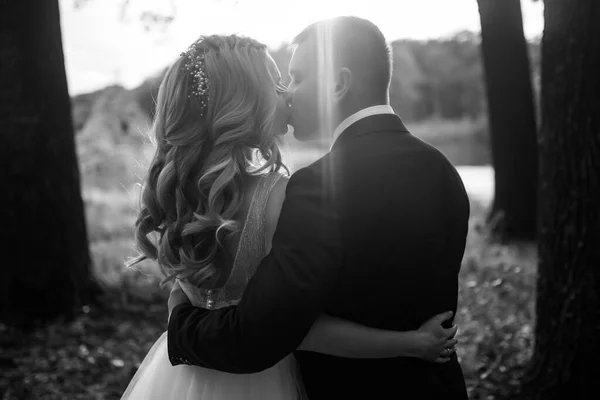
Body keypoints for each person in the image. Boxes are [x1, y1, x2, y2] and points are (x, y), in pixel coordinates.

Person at [121, 33, 459, 400]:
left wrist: (179, 320)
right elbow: (291, 329)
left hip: (183, 382)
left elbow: (269, 327)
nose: (288, 93)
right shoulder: (443, 171)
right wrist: (412, 343)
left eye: (294, 79)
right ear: (245, 102)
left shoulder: (182, 197)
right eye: (280, 82)